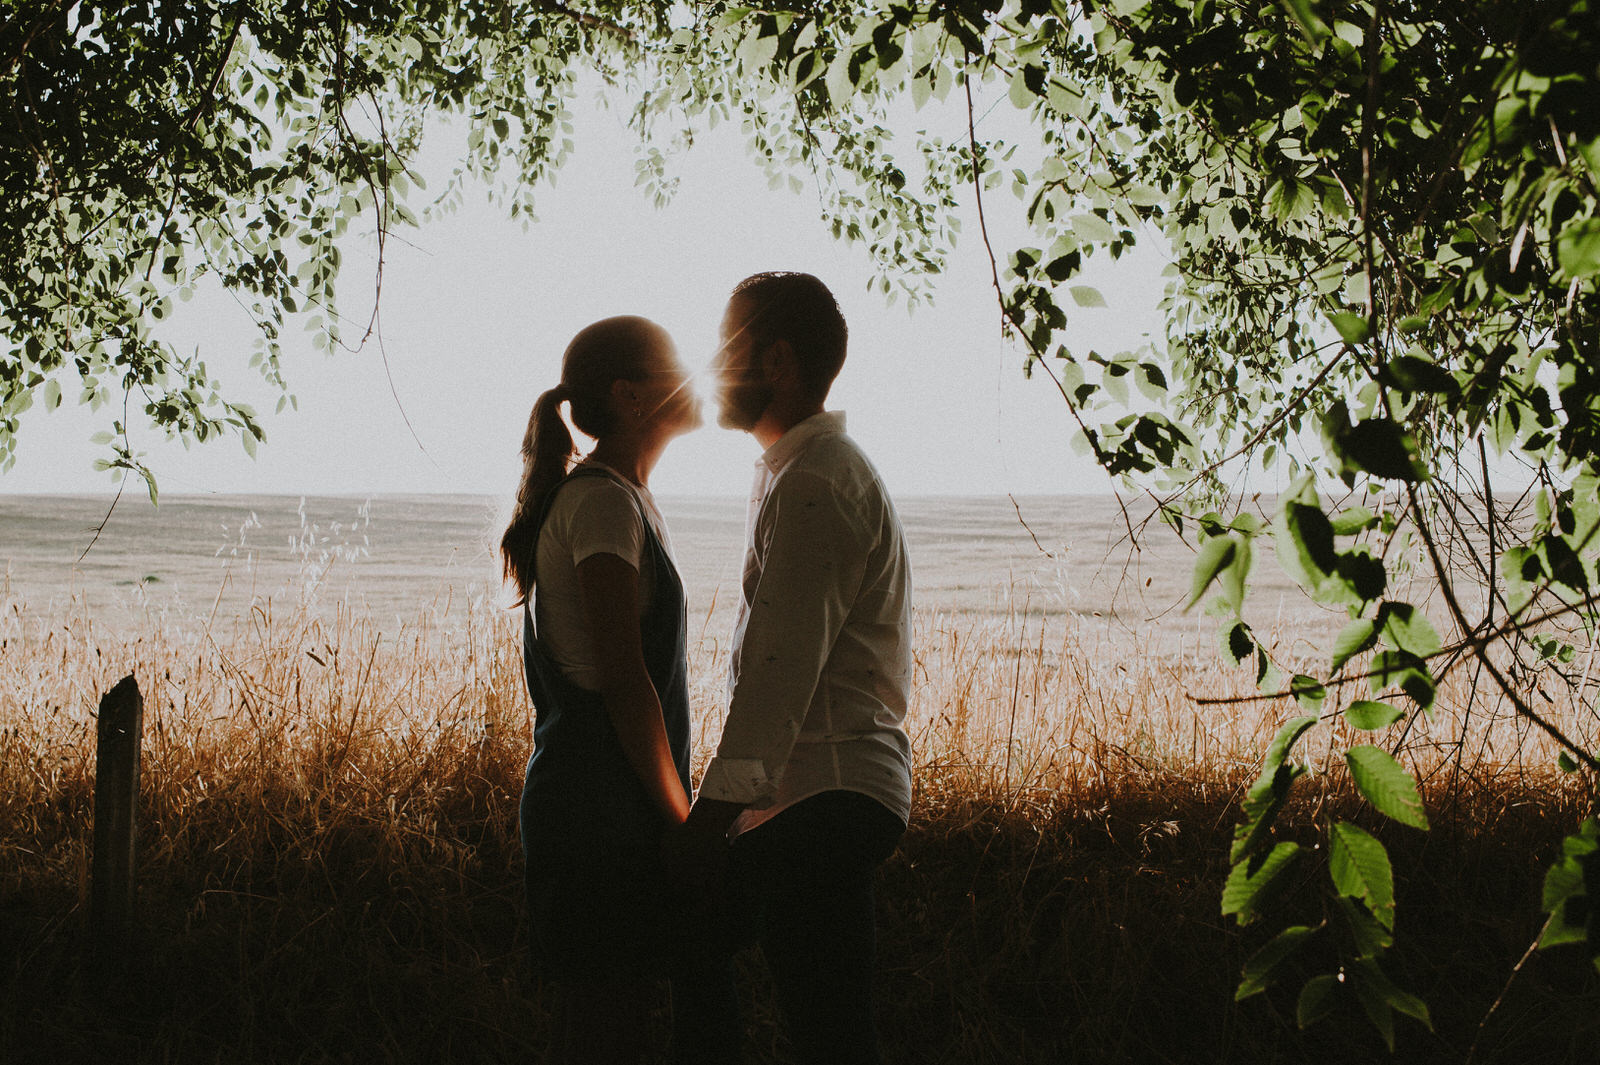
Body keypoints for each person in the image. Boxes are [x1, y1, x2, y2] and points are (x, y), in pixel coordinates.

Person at [670, 272, 914, 1065]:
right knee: (820, 1019)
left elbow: (780, 669)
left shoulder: (814, 481)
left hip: (828, 792)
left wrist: (709, 819)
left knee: (826, 1028)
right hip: (819, 795)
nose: (711, 365)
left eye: (726, 346)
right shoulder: (799, 469)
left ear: (777, 362)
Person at [500, 316, 733, 1064]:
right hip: (597, 814)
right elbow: (627, 681)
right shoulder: (601, 502)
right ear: (631, 395)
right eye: (680, 365)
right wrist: (682, 819)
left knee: (602, 1022)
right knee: (610, 1027)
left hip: (600, 806)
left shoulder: (620, 497)